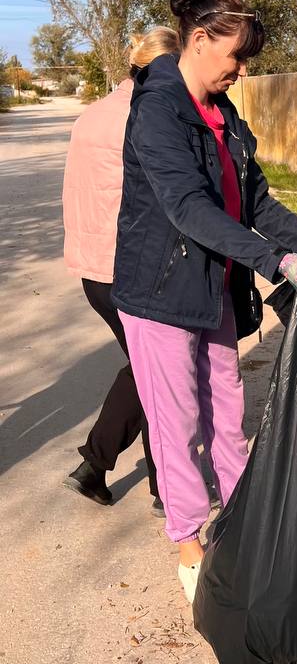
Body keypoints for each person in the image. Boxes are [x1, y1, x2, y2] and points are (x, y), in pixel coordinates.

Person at [112, 0, 297, 604]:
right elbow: (189, 209)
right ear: (199, 40)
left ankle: (249, 520)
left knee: (227, 414)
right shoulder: (158, 110)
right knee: (177, 423)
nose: (242, 70)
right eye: (236, 56)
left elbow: (256, 204)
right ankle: (189, 545)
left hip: (213, 289)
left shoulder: (222, 113)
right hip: (159, 297)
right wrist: (277, 263)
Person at [63, 28, 178, 512]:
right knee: (158, 371)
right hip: (131, 268)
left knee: (147, 366)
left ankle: (97, 467)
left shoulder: (93, 113)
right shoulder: (150, 115)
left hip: (93, 270)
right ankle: (161, 487)